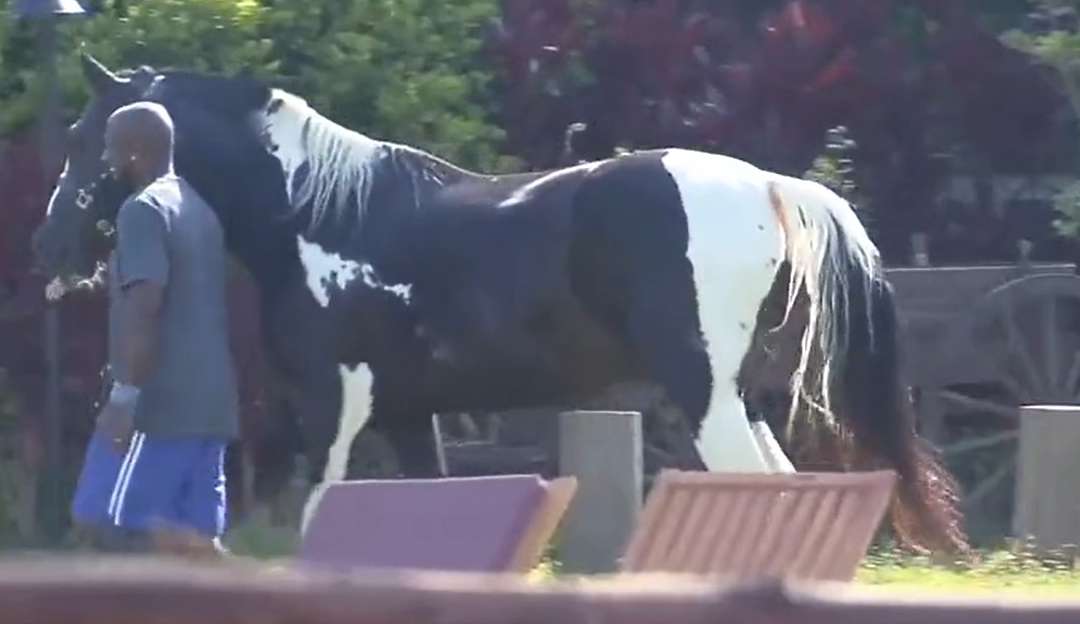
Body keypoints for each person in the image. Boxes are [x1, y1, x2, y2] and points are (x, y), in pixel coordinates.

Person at [69, 101, 238, 554]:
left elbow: (147, 304)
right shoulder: (198, 208)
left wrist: (125, 399)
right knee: (195, 541)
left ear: (135, 150)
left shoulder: (141, 210)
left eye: (111, 148)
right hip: (212, 403)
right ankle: (281, 606)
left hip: (160, 405)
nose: (105, 160)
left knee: (111, 522)